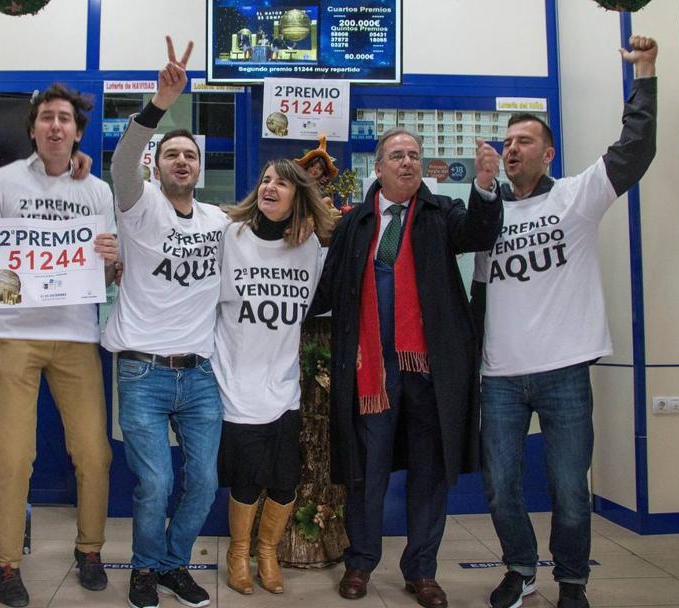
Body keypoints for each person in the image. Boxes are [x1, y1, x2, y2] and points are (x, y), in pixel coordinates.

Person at [471, 35, 658, 608]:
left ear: (548, 153)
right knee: (501, 488)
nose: (512, 149)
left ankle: (572, 582)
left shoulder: (577, 197)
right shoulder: (489, 215)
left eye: (524, 141)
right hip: (500, 376)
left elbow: (634, 150)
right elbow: (475, 294)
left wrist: (644, 75)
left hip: (564, 373)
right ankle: (521, 569)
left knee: (570, 491)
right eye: (507, 143)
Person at [313, 129, 503, 605]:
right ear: (377, 168)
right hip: (372, 373)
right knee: (367, 471)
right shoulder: (354, 223)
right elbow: (328, 288)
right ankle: (360, 563)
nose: (407, 163)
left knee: (429, 472)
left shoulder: (444, 214)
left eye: (414, 156)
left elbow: (480, 233)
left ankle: (421, 570)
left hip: (430, 371)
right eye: (397, 156)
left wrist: (483, 186)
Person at [0, 84, 118, 607]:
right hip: (13, 333)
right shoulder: (1, 182)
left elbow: (113, 268)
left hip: (77, 333)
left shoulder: (97, 190)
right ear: (32, 128)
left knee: (94, 453)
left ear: (78, 131)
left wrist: (112, 256)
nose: (56, 126)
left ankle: (90, 550)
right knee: (11, 455)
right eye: (47, 118)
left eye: (65, 119)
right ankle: (6, 563)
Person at [101, 37, 229, 608]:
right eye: (173, 154)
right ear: (159, 165)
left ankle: (174, 563)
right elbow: (121, 162)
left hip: (200, 374)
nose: (182, 161)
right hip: (142, 372)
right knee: (155, 482)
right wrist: (159, 105)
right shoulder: (139, 203)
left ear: (200, 169)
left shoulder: (219, 219)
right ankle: (144, 570)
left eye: (191, 156)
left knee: (203, 482)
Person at [214, 159, 334, 596]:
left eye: (282, 183)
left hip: (284, 386)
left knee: (285, 482)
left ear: (297, 195)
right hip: (236, 383)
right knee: (247, 480)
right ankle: (238, 553)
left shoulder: (310, 248)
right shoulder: (231, 237)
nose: (270, 187)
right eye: (265, 179)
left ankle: (267, 551)